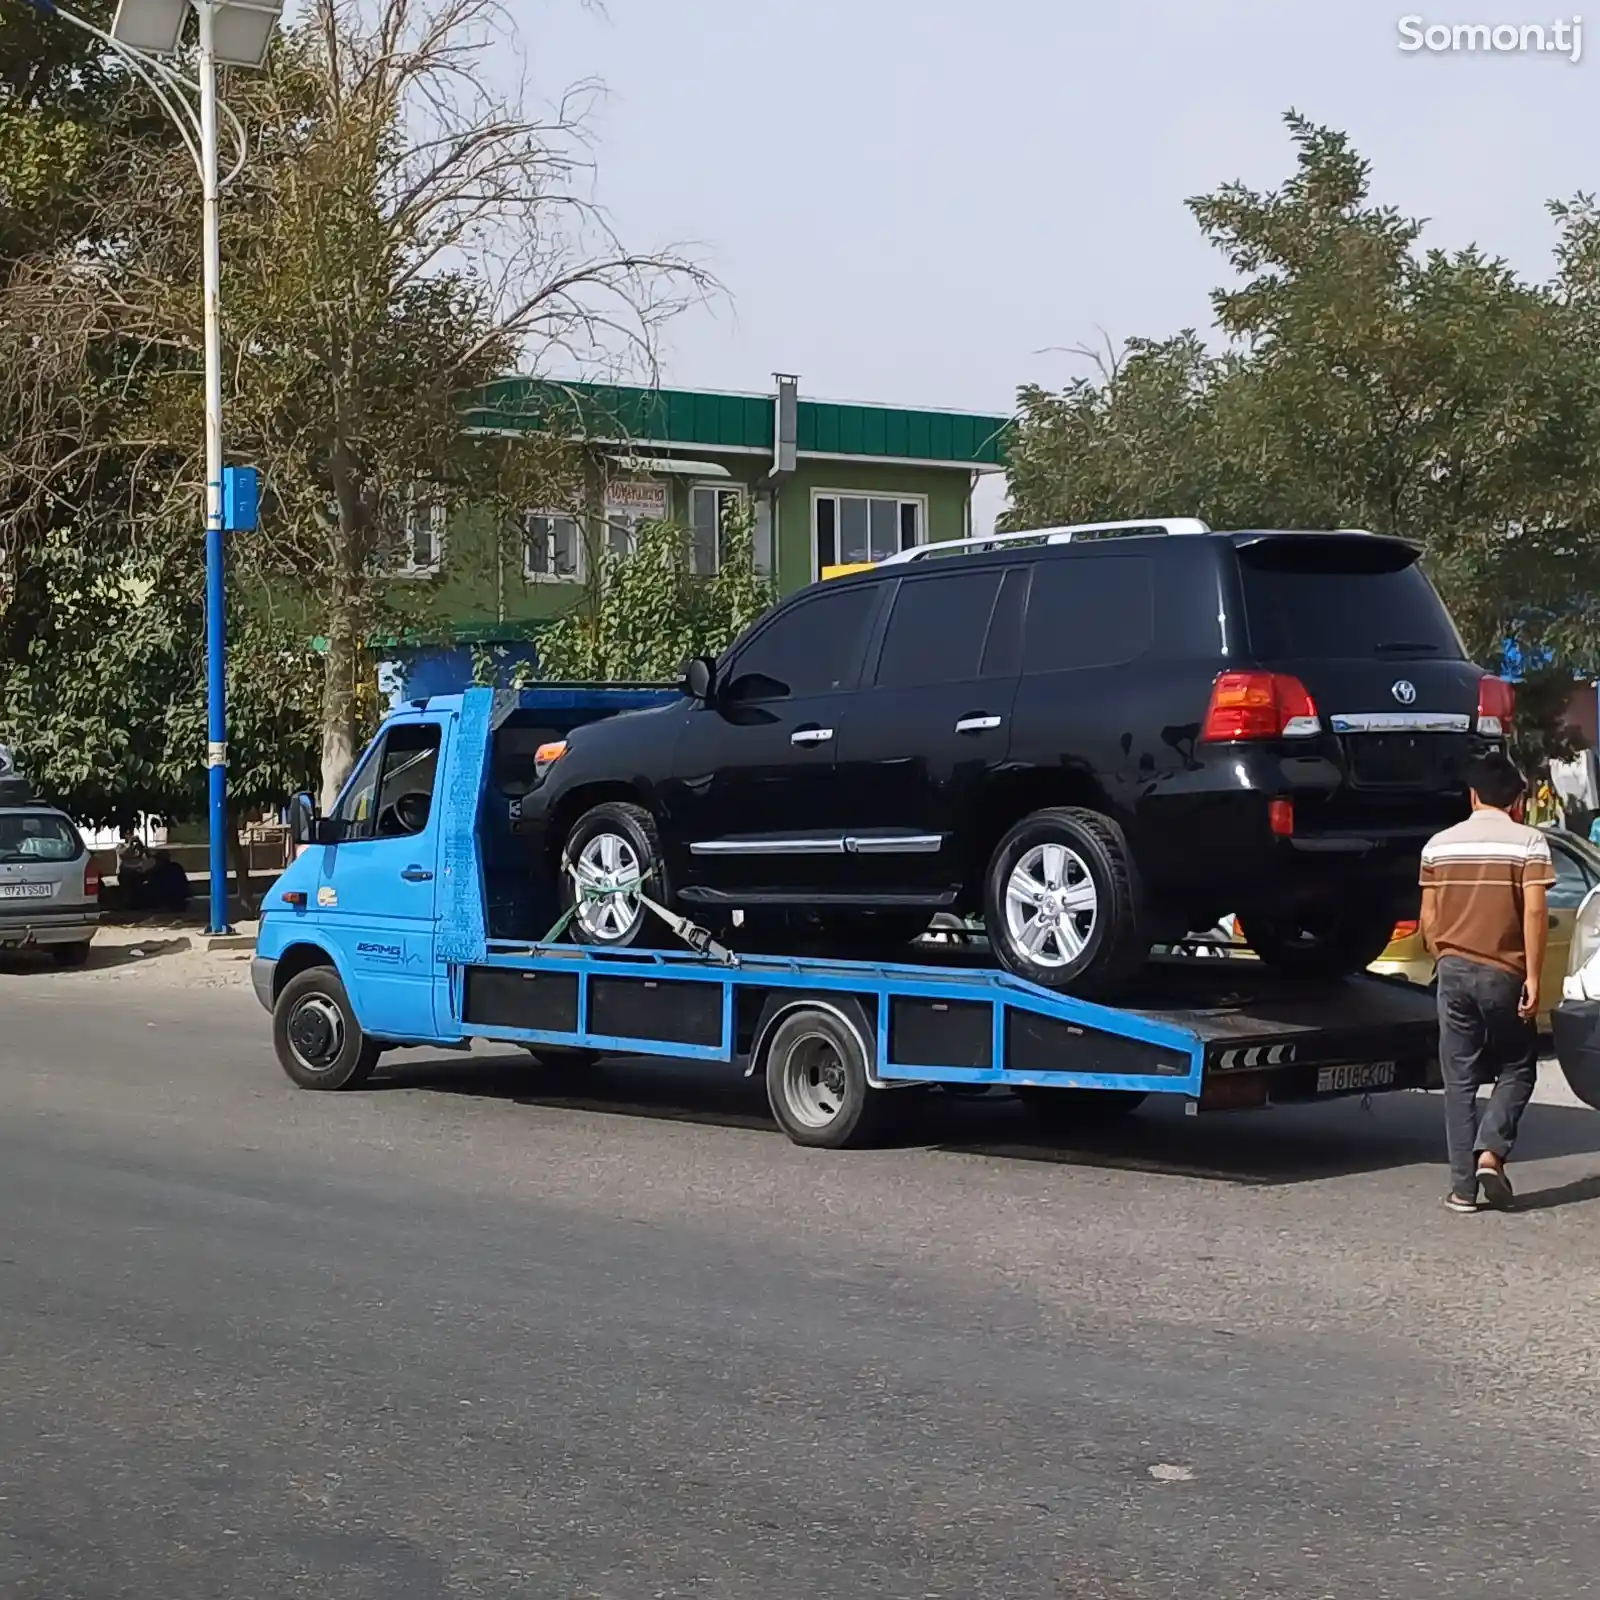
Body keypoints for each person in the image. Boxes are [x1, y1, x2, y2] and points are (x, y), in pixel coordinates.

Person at [1420, 752, 1554, 1212]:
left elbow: (1428, 921)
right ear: (1517, 799)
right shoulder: (1530, 843)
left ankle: (1462, 1190)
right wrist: (1534, 976)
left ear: (1472, 795)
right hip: (1505, 972)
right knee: (1518, 1065)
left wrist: (1446, 956)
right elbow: (1535, 911)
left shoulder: (1438, 845)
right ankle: (1491, 1154)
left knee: (1459, 1080)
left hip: (1453, 970)